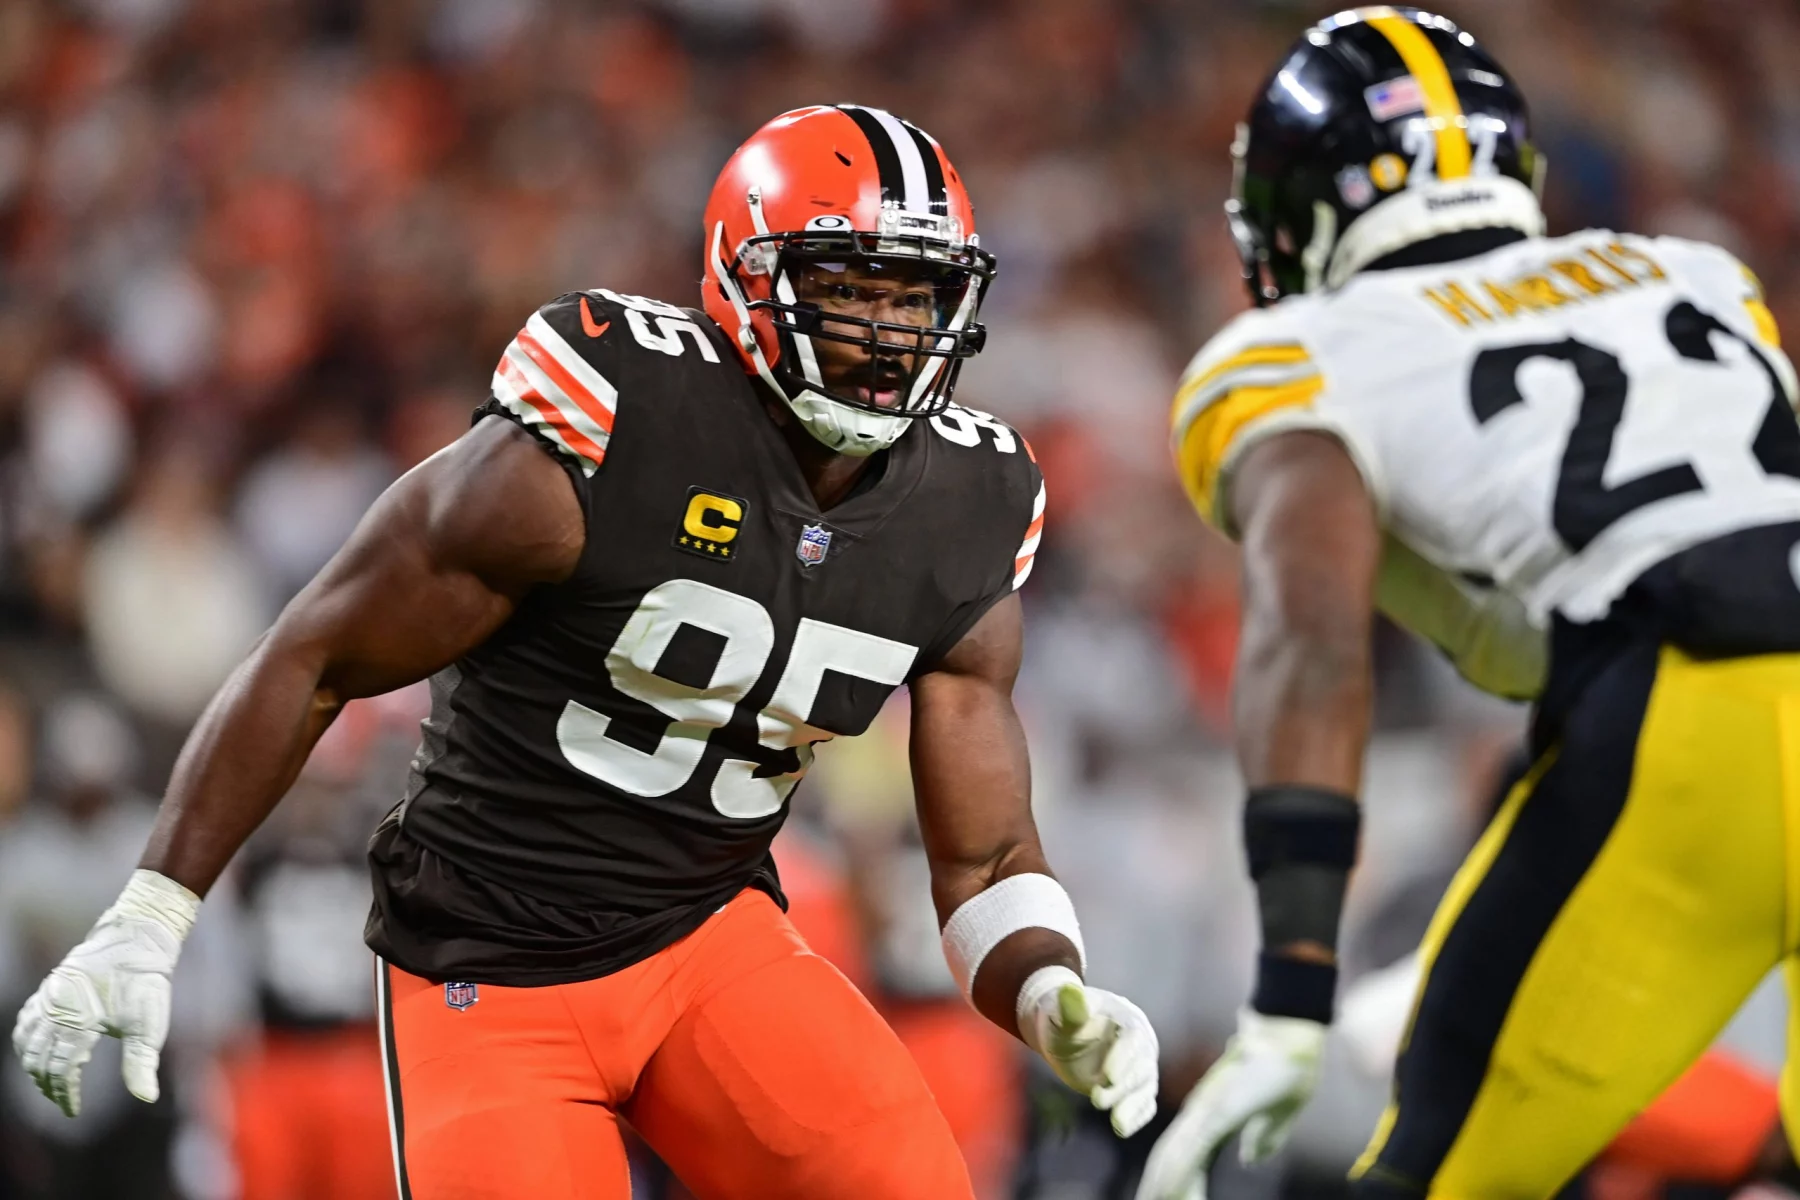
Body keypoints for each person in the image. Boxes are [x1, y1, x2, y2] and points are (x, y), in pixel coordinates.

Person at [11, 105, 1160, 1200]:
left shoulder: (968, 497)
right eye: (847, 287)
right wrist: (152, 913)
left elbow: (986, 853)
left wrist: (1049, 982)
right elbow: (314, 656)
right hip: (490, 962)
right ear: (747, 281)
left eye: (915, 297)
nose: (885, 333)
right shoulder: (617, 426)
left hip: (710, 940)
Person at [1135, 8, 1800, 1199]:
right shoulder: (1698, 275)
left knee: (1436, 1175)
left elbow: (1313, 640)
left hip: (1698, 731)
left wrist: (1291, 985)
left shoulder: (1302, 351)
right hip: (1709, 656)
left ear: (1308, 206)